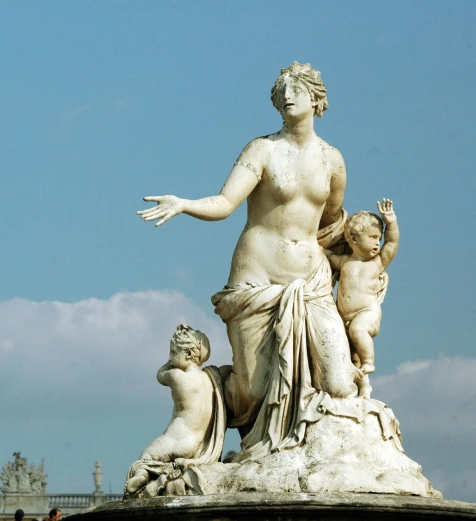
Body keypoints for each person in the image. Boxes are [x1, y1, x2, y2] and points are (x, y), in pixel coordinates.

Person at [138, 62, 359, 461]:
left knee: (340, 385)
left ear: (316, 98)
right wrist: (184, 204)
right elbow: (225, 203)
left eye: (296, 89)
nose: (287, 96)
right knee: (254, 391)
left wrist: (369, 263)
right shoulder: (263, 149)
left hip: (311, 285)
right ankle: (205, 396)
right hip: (256, 280)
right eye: (281, 92)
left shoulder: (333, 160)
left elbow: (333, 223)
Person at [125, 325, 218, 493]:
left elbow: (160, 375)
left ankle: (142, 475)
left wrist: (170, 363)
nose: (170, 357)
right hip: (197, 443)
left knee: (145, 458)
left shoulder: (176, 376)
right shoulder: (210, 380)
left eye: (173, 353)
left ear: (188, 354)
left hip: (177, 438)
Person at [326, 199, 399, 396]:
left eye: (379, 238)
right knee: (349, 356)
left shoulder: (377, 263)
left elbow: (391, 243)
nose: (378, 242)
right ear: (353, 239)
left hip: (367, 314)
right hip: (344, 318)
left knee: (358, 331)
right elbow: (324, 254)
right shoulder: (344, 262)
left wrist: (391, 222)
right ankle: (364, 388)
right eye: (373, 237)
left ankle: (369, 362)